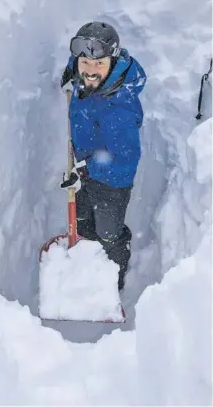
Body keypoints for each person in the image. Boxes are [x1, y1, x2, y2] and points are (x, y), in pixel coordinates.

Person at [60, 21, 146, 291]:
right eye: (85, 62)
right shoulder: (85, 75)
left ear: (113, 61)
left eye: (99, 64)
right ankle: (87, 259)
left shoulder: (120, 109)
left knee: (108, 233)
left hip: (113, 182)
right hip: (86, 169)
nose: (90, 71)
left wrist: (84, 170)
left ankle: (115, 272)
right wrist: (69, 74)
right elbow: (79, 67)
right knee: (83, 220)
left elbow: (125, 160)